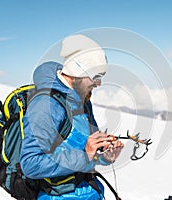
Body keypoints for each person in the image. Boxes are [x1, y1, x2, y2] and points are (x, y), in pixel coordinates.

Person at [20, 34, 124, 200]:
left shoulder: (82, 100)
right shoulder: (46, 105)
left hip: (89, 192)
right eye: (96, 77)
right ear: (78, 71)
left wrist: (104, 156)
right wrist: (86, 155)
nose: (99, 84)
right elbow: (31, 164)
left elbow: (87, 150)